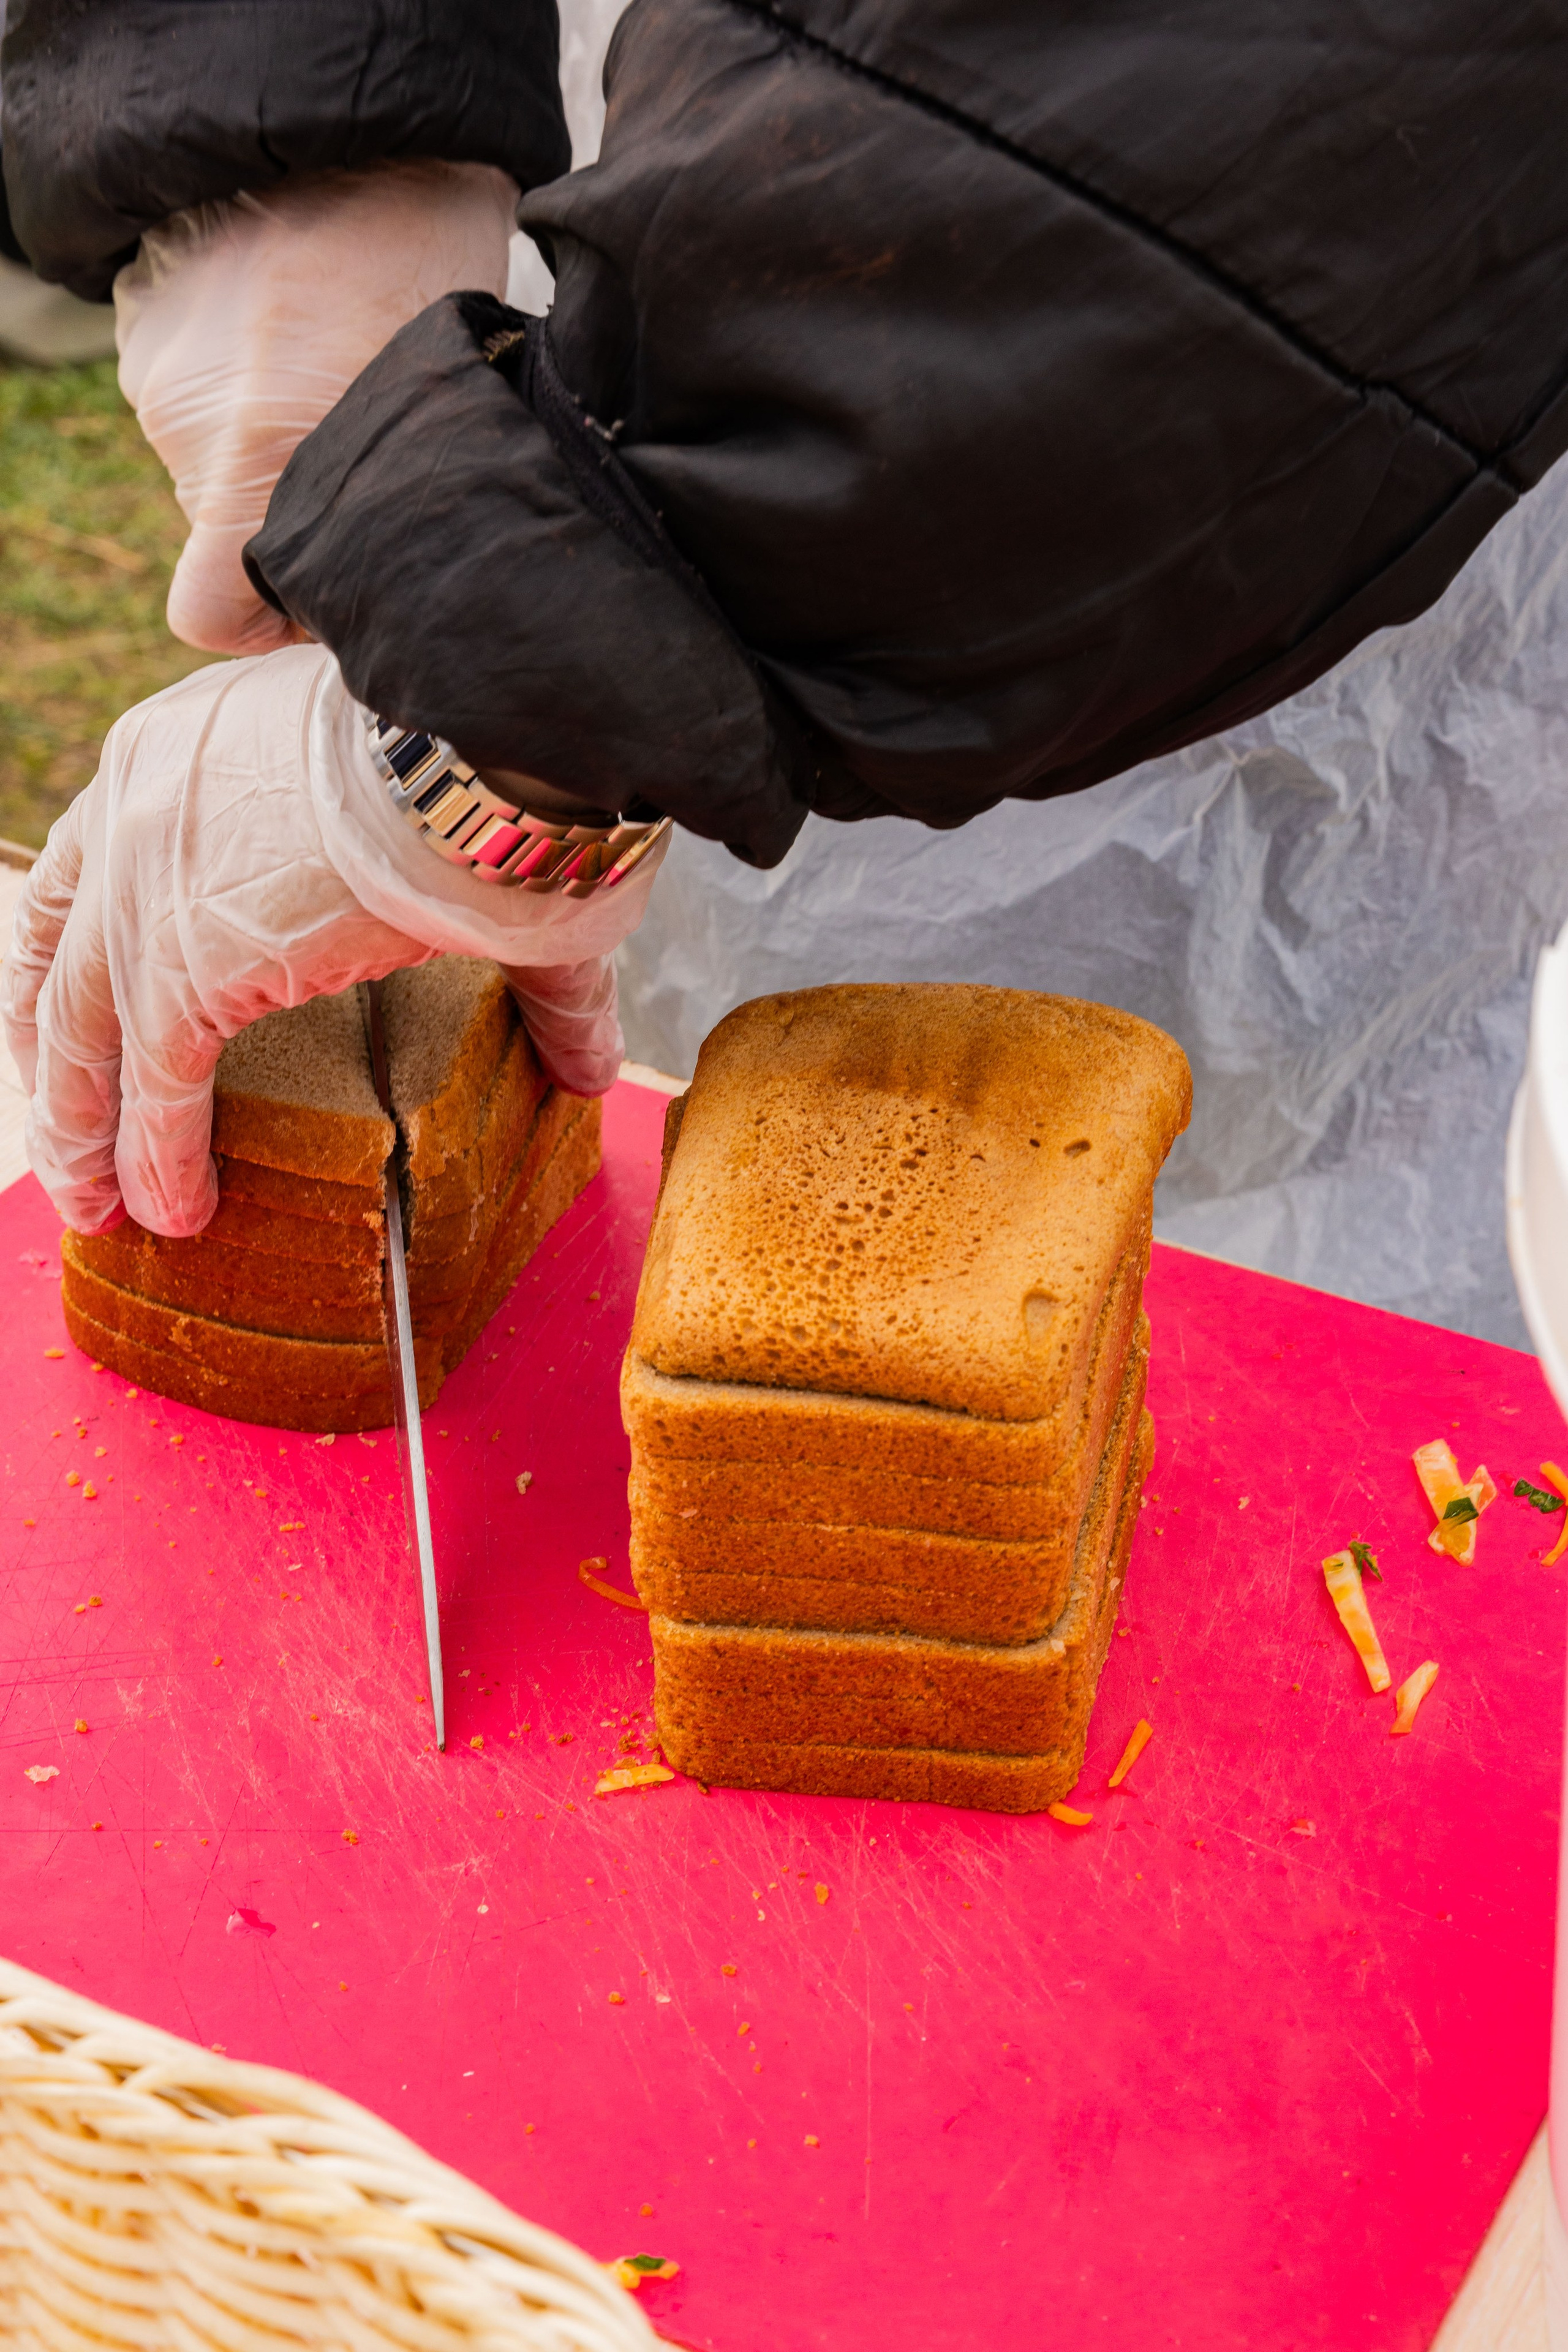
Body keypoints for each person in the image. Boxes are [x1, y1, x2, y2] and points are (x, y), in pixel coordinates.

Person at [2, 0, 1567, 1237]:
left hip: (1334, 460)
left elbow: (1233, 96)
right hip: (666, 147)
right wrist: (306, 114)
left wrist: (494, 730)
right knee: (689, 1103)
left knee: (1285, 1196)